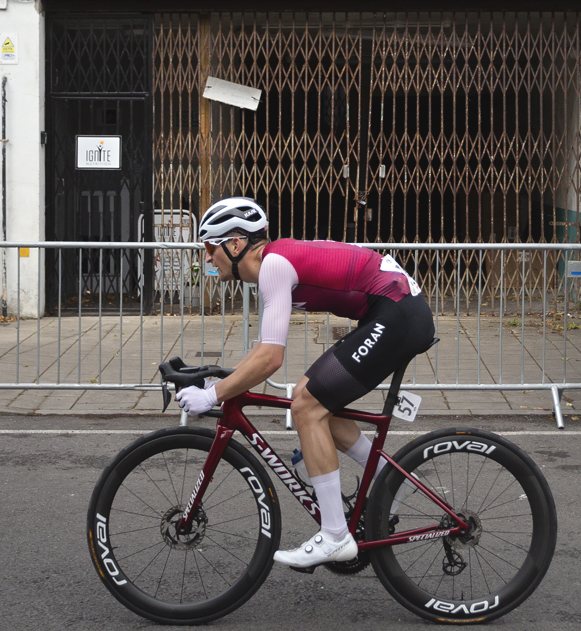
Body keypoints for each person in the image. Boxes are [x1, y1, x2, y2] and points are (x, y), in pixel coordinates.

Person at [175, 197, 435, 569]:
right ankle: (388, 477)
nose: (207, 258)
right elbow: (264, 348)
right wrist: (221, 380)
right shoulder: (276, 261)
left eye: (210, 247)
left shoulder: (274, 266)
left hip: (397, 313)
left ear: (234, 244)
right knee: (318, 403)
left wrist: (212, 395)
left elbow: (270, 358)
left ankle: (334, 536)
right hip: (392, 310)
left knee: (306, 404)